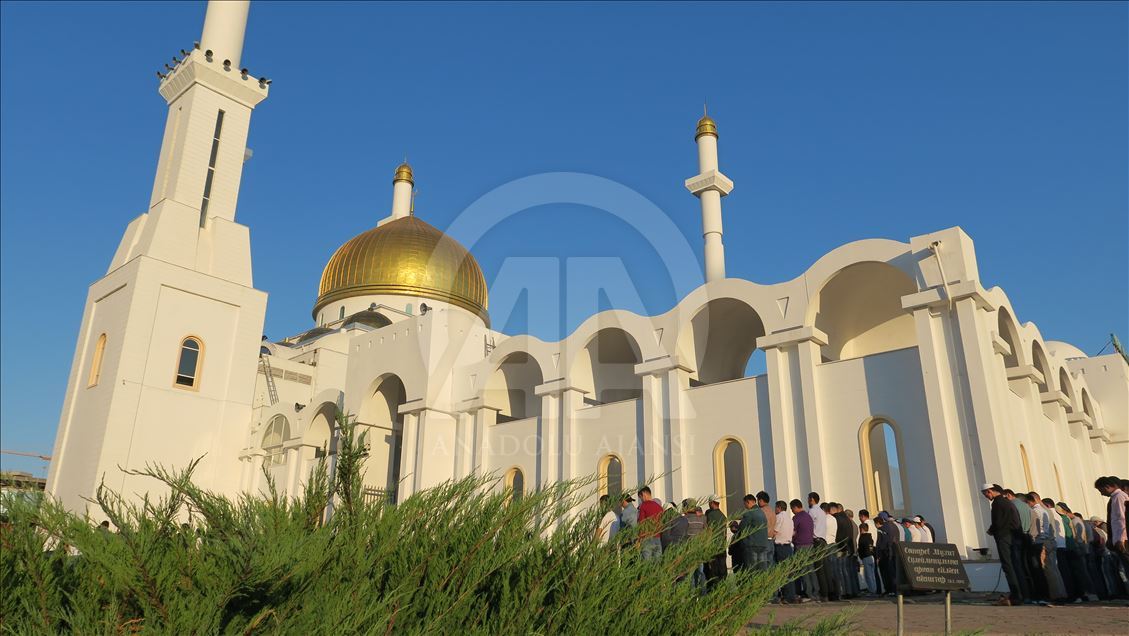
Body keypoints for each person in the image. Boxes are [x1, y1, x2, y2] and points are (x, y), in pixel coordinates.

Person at [981, 483, 1026, 606]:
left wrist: (992, 530)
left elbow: (998, 522)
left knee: (1008, 566)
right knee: (1016, 566)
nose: (986, 496)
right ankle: (1021, 594)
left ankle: (1016, 596)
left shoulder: (997, 503)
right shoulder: (1007, 502)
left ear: (990, 491)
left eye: (985, 494)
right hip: (1013, 538)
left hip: (1004, 538)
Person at [1027, 492, 1066, 602]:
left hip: (1044, 541)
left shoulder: (1037, 511)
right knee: (1054, 569)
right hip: (1053, 541)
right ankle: (1061, 593)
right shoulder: (1050, 511)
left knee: (1048, 569)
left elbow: (1037, 530)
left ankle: (1056, 595)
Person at [1095, 476, 1129, 576]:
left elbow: (1122, 519)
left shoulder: (1119, 497)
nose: (1101, 494)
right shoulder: (1115, 498)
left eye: (1101, 490)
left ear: (1107, 486)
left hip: (1123, 539)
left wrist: (1121, 539)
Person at [790, 499, 819, 602]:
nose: (792, 511)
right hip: (810, 544)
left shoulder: (797, 518)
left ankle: (808, 593)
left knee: (803, 570)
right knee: (811, 569)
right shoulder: (808, 516)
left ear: (795, 507)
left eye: (792, 509)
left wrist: (793, 539)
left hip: (801, 545)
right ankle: (815, 592)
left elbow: (792, 531)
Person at [807, 492, 834, 601]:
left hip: (816, 541)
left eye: (809, 499)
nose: (808, 500)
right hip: (823, 540)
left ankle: (823, 594)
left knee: (819, 569)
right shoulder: (822, 512)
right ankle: (829, 592)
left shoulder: (812, 511)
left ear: (812, 499)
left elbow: (809, 527)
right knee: (825, 568)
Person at [734, 493, 770, 572]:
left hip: (752, 545)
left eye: (745, 504)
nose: (745, 507)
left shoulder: (749, 513)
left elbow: (741, 528)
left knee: (752, 570)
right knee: (762, 570)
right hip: (763, 544)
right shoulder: (762, 513)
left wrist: (735, 528)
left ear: (748, 502)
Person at [773, 500, 798, 603]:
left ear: (779, 507)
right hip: (788, 546)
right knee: (789, 572)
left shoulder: (779, 517)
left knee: (782, 572)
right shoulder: (789, 519)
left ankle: (786, 596)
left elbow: (775, 531)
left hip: (780, 546)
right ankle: (791, 595)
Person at [704, 496, 728, 588]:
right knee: (722, 569)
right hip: (721, 546)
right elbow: (725, 534)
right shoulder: (723, 515)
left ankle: (714, 589)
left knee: (713, 570)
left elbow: (709, 531)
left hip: (713, 546)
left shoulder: (710, 515)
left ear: (712, 503)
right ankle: (722, 588)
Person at [636, 486, 663, 560]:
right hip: (658, 537)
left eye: (640, 497)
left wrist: (639, 539)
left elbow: (641, 524)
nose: (641, 500)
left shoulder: (643, 506)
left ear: (644, 494)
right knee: (657, 563)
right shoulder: (659, 507)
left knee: (646, 563)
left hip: (646, 538)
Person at [858, 522, 878, 595]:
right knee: (872, 574)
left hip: (866, 557)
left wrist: (860, 556)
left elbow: (861, 548)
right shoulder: (870, 537)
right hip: (871, 556)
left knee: (868, 575)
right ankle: (874, 589)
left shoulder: (862, 537)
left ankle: (872, 590)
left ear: (862, 529)